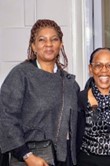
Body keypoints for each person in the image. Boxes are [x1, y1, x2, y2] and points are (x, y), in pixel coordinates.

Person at [0, 19, 80, 166]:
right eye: (42, 40)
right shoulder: (21, 75)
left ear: (60, 44)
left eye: (54, 39)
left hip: (63, 160)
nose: (48, 44)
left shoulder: (70, 84)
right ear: (34, 46)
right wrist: (27, 156)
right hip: (29, 159)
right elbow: (6, 119)